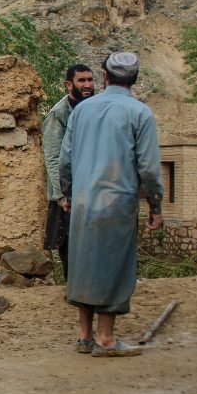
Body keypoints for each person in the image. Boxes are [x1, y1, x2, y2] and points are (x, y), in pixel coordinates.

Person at [60, 52, 164, 357]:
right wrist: (155, 206)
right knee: (114, 267)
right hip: (118, 201)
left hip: (83, 201)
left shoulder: (82, 110)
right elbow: (149, 169)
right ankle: (105, 339)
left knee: (83, 264)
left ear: (105, 76)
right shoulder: (140, 113)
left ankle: (85, 337)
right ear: (135, 79)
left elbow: (65, 160)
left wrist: (68, 194)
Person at [42, 64, 96, 281]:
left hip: (95, 189)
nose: (87, 85)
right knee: (71, 247)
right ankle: (74, 288)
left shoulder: (97, 108)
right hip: (69, 192)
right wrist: (62, 195)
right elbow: (53, 158)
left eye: (90, 80)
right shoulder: (59, 114)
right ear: (69, 84)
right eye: (81, 80)